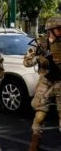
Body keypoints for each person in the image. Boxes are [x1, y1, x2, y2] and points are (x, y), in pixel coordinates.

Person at [24, 16, 61, 151]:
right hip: (45, 82)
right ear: (50, 29)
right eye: (58, 28)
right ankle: (35, 141)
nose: (60, 30)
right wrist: (37, 56)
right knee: (40, 115)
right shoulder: (40, 44)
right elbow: (27, 63)